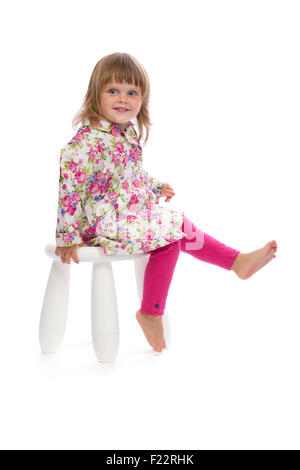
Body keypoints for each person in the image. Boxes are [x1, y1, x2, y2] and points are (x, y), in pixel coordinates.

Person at [55, 52, 278, 353]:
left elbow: (127, 175)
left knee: (178, 224)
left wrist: (154, 185)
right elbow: (70, 187)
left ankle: (236, 261)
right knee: (169, 235)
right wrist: (67, 237)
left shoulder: (125, 133)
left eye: (132, 92)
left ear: (142, 99)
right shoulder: (90, 139)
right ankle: (151, 311)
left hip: (125, 215)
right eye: (113, 91)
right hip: (98, 225)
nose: (123, 99)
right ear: (96, 94)